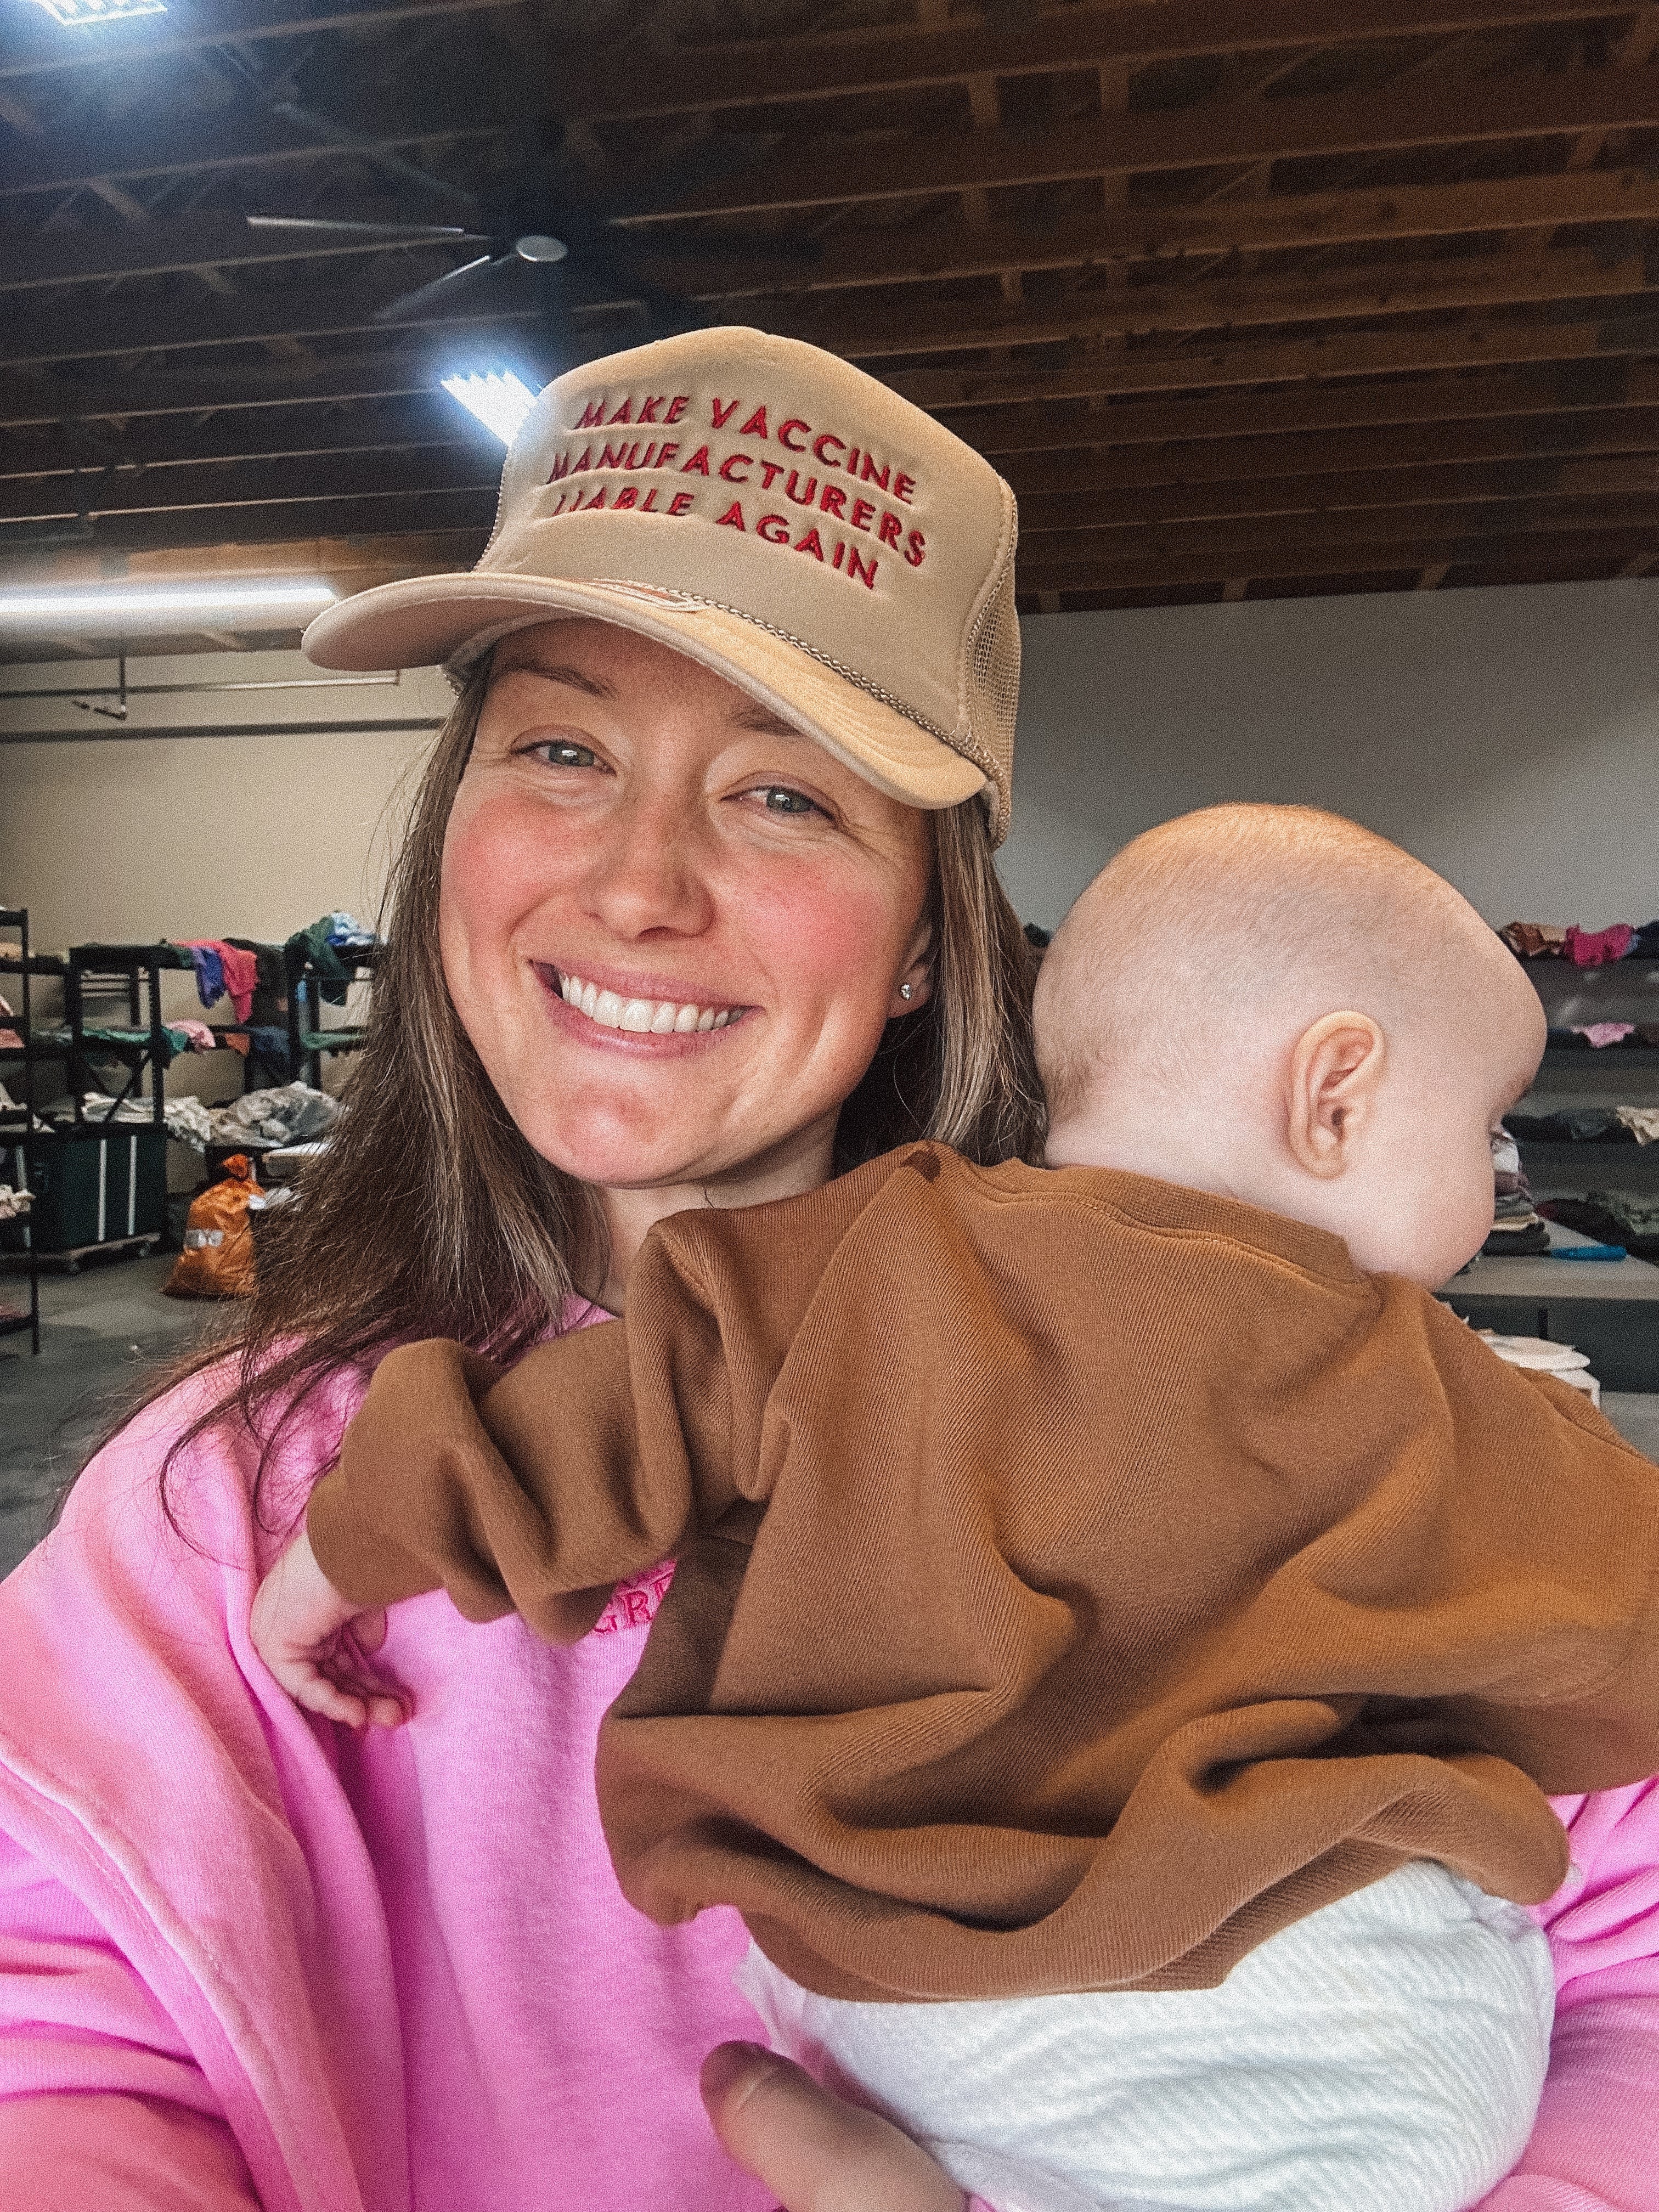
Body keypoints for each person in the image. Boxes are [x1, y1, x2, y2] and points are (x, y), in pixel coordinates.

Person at [0, 325, 1650, 2212]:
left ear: (934, 940)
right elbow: (59, 2023)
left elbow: (1635, 1962)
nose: (635, 885)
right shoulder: (230, 1497)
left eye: (781, 793)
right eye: (558, 746)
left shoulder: (1250, 1415)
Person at [252, 804, 1659, 2212]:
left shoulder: (868, 1260)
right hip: (1311, 2003)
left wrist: (334, 1561)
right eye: (1482, 1131)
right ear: (1334, 1092)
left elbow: (575, 1430)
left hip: (891, 1995)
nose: (1488, 1188)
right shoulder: (1419, 1383)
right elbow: (1623, 1621)